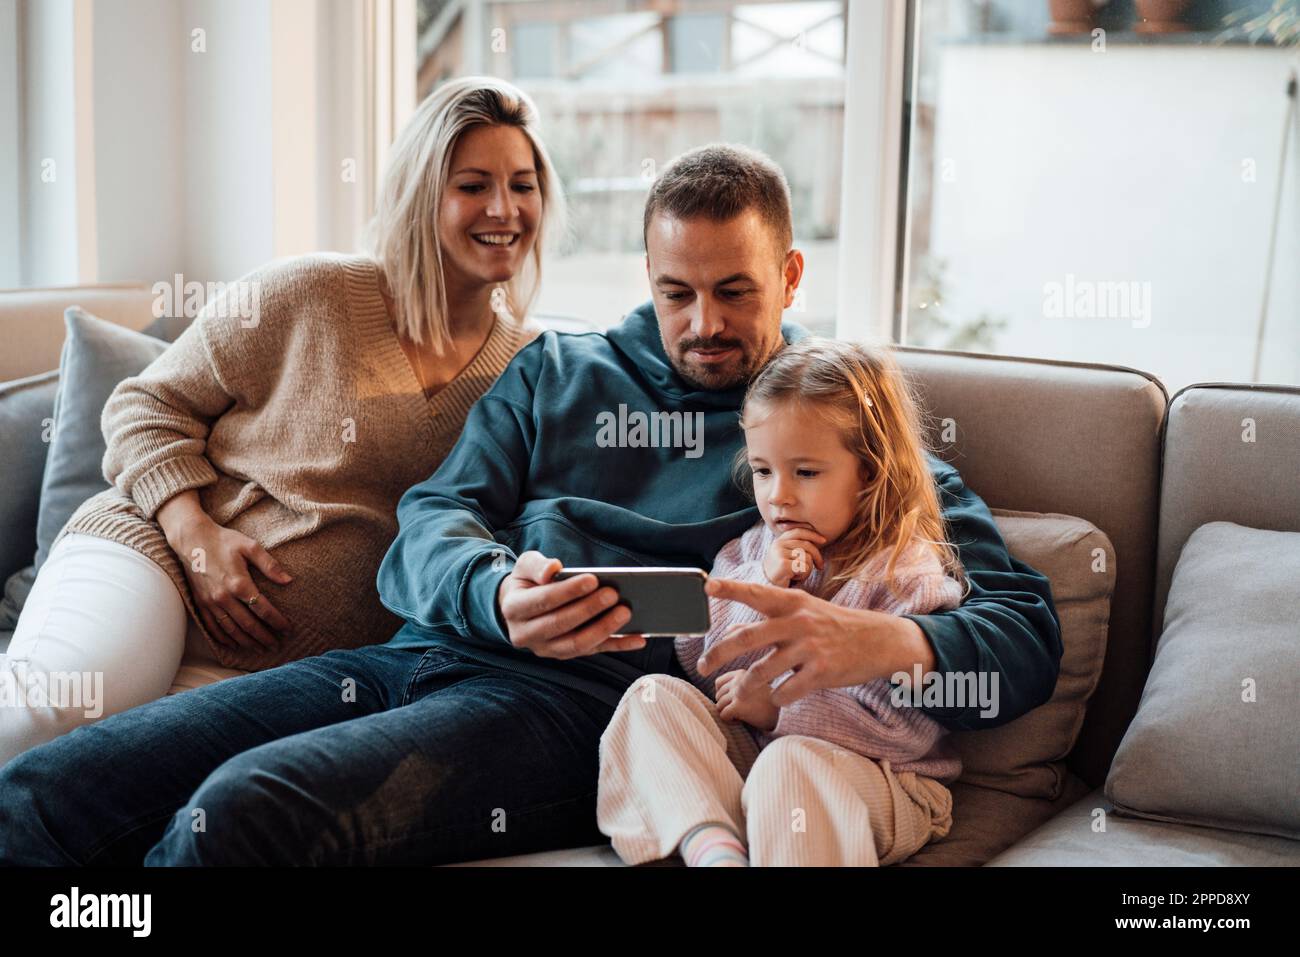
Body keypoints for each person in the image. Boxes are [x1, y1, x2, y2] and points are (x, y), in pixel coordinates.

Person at [0, 144, 1061, 866]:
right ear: (646, 274)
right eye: (675, 291)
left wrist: (876, 640)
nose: (702, 324)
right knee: (53, 787)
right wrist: (494, 588)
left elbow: (1021, 636)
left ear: (787, 276)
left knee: (237, 814)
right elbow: (427, 522)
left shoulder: (829, 433)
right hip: (418, 654)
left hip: (565, 716)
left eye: (734, 291)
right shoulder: (558, 371)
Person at [0, 76, 565, 767]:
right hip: (155, 560)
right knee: (48, 717)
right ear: (422, 196)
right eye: (473, 185)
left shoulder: (532, 369)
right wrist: (196, 537)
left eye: (523, 184)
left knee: (123, 778)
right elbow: (143, 405)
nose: (504, 208)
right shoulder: (312, 293)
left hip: (274, 670)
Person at [598, 337, 974, 866]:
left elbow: (906, 729)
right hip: (759, 760)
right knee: (653, 696)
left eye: (806, 472)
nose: (778, 496)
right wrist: (765, 584)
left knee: (791, 763)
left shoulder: (905, 572)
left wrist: (779, 712)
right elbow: (699, 657)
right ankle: (714, 848)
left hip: (883, 781)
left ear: (868, 473)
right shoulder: (755, 547)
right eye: (763, 471)